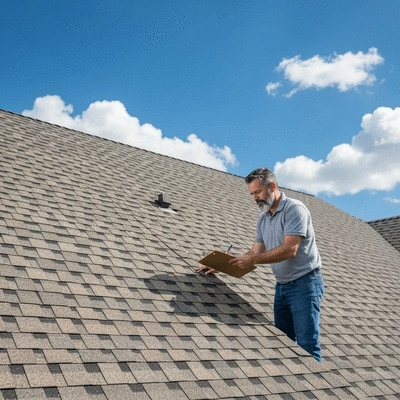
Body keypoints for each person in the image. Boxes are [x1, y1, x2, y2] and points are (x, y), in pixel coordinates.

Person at [197, 168, 324, 362]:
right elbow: (254, 252)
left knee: (307, 345)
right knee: (284, 344)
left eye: (258, 192)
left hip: (305, 285)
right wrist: (222, 265)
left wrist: (253, 260)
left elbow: (290, 249)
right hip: (282, 286)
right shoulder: (263, 218)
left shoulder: (294, 209)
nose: (255, 198)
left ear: (272, 186)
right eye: (252, 194)